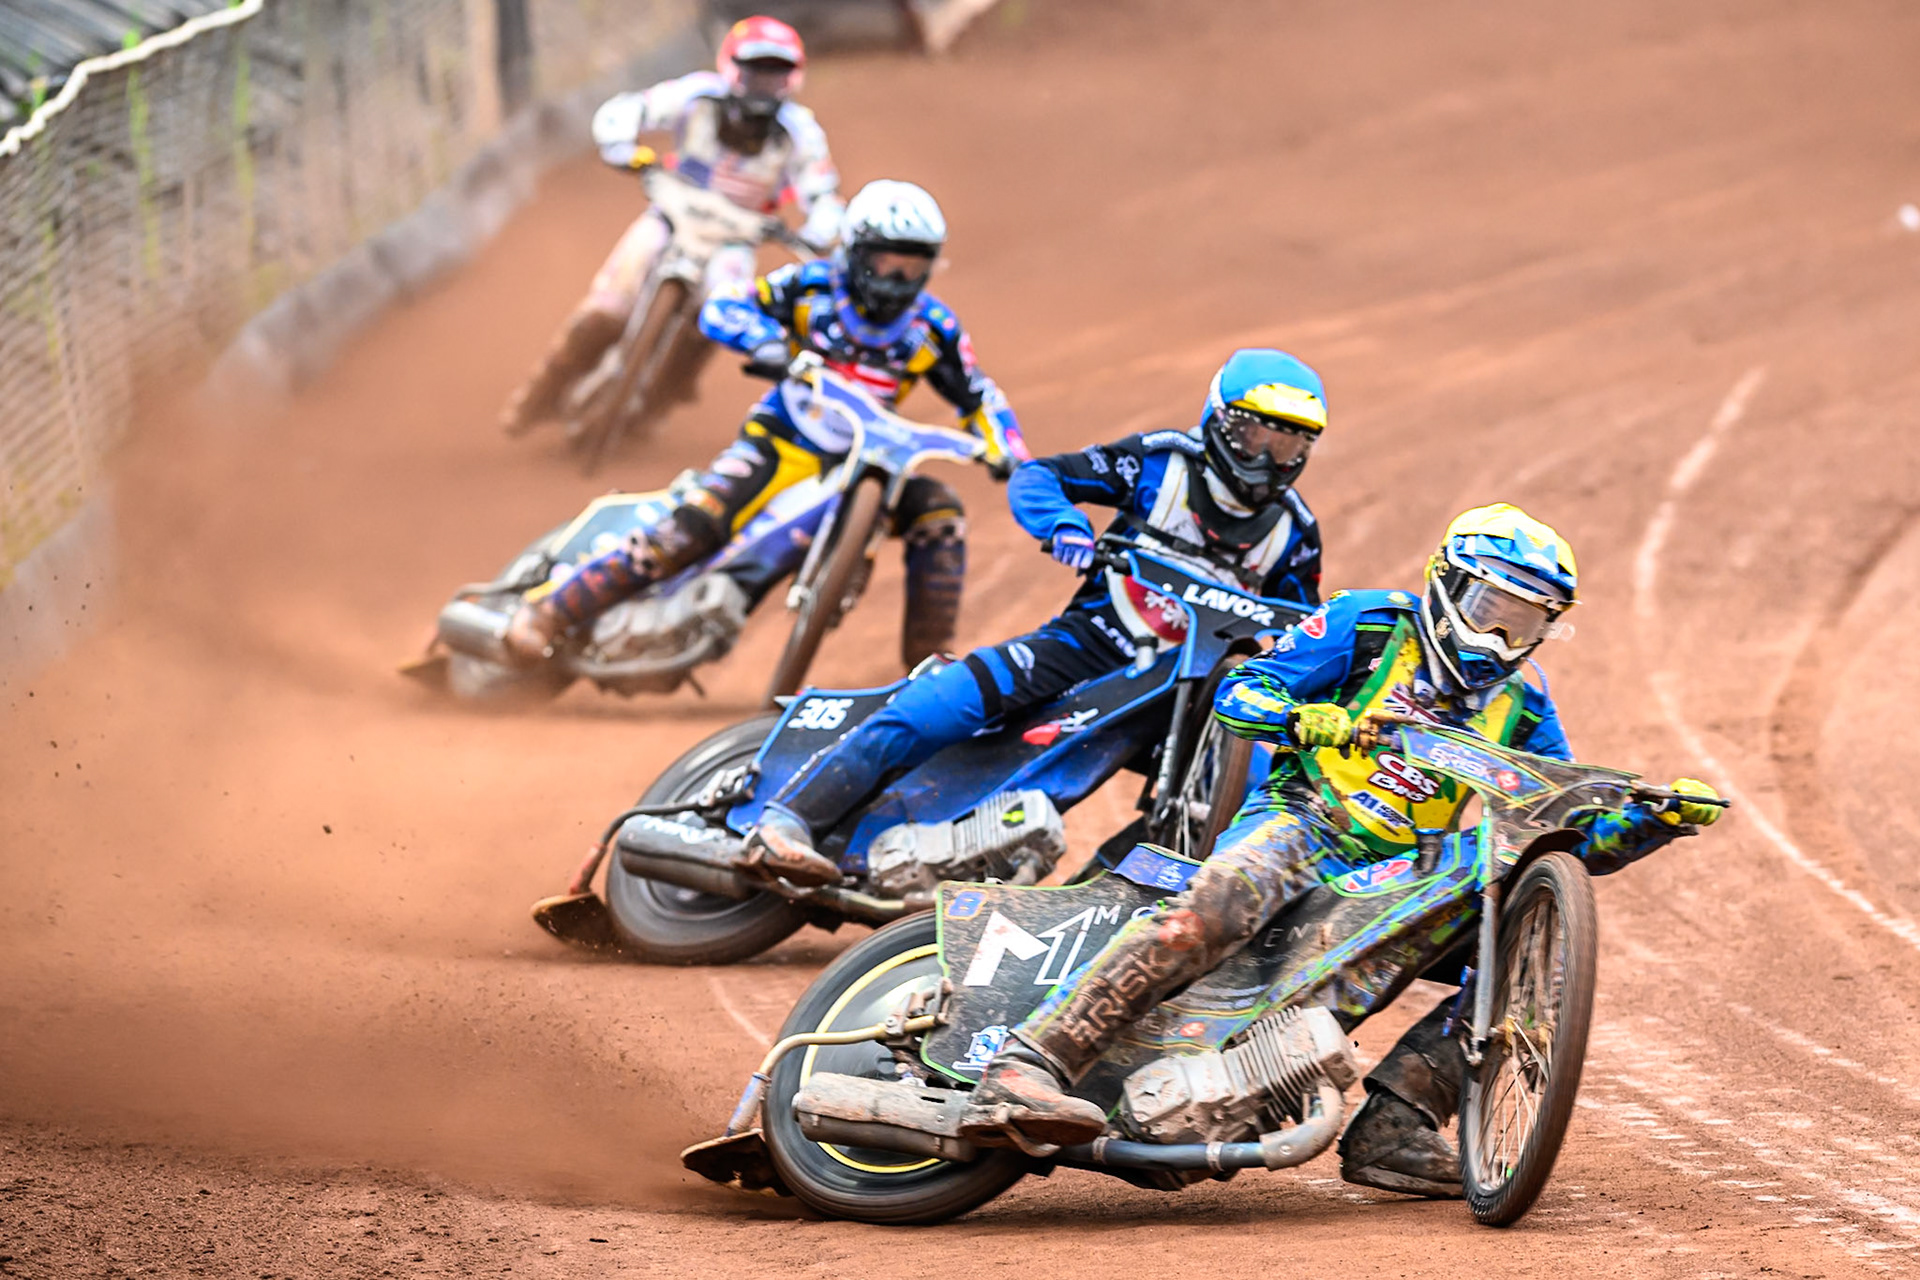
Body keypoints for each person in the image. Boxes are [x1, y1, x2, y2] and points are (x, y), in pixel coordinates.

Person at [960, 502, 1726, 1198]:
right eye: (1491, 610)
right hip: (1303, 817)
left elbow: (1556, 827)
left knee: (1518, 959)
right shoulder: (1368, 625)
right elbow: (1240, 692)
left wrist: (1651, 822)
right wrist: (1300, 718)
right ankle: (1030, 1062)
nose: (1500, 639)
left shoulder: (1524, 703)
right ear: (1449, 585)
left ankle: (1396, 1124)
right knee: (1216, 906)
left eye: (1526, 624)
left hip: (1399, 870)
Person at [744, 347, 1329, 887]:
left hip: (1185, 695)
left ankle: (1100, 907)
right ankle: (789, 818)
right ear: (1219, 421)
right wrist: (1063, 524)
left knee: (1251, 785)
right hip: (1089, 643)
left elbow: (1301, 633)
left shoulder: (1295, 534)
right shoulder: (1159, 463)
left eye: (1289, 447)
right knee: (950, 700)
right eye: (1257, 437)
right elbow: (1042, 475)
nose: (1268, 460)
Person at [502, 179, 1027, 666]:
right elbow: (725, 305)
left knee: (940, 514)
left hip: (871, 461)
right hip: (780, 443)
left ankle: (931, 667)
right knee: (691, 529)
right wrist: (766, 342)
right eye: (887, 263)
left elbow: (978, 393)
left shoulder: (933, 327)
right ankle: (549, 612)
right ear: (855, 251)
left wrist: (1008, 449)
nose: (896, 281)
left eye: (912, 268)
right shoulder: (812, 287)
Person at [500, 16, 844, 436]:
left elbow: (822, 192)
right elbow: (633, 109)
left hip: (734, 239)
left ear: (792, 78)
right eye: (756, 72)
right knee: (607, 305)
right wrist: (620, 145)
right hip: (672, 215)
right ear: (732, 67)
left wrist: (820, 230)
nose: (763, 84)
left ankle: (668, 389)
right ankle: (542, 391)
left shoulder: (800, 132)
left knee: (722, 307)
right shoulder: (697, 96)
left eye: (775, 74)